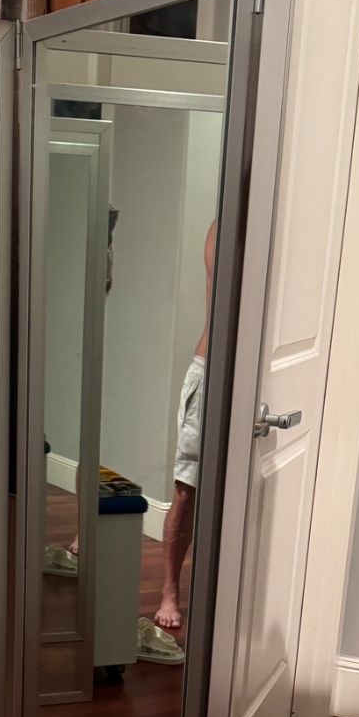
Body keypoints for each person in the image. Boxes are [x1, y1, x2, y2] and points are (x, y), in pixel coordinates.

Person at [154, 219, 215, 634]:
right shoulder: (226, 223)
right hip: (210, 370)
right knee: (187, 490)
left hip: (257, 378)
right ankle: (169, 591)